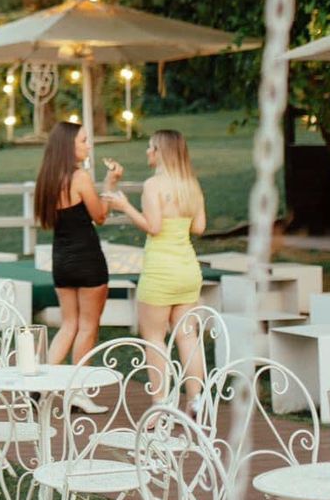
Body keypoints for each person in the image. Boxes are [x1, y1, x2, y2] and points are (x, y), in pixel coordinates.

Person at [106, 128, 207, 412]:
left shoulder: (154, 185)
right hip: (188, 270)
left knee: (153, 336)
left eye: (151, 147)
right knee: (187, 336)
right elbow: (199, 227)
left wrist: (124, 205)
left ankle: (161, 403)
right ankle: (196, 399)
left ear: (161, 152)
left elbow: (154, 227)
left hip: (161, 271)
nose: (147, 151)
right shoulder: (191, 184)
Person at [34, 121, 119, 365]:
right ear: (67, 146)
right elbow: (100, 216)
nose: (88, 146)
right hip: (87, 260)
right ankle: (77, 393)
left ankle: (42, 386)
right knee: (88, 327)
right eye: (83, 141)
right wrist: (110, 184)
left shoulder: (47, 180)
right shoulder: (79, 177)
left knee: (68, 325)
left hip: (61, 260)